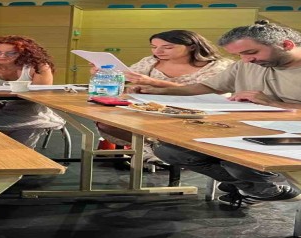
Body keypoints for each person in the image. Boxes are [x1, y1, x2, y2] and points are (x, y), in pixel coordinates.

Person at [136, 21, 301, 208]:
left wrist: (276, 104)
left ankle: (259, 184)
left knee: (237, 162)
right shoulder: (247, 64)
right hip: (248, 130)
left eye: (250, 52)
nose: (246, 60)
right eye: (239, 55)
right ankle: (259, 188)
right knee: (170, 151)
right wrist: (155, 91)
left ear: (287, 45)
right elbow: (206, 87)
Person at [95, 30, 233, 163]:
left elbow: (205, 90)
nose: (158, 51)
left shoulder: (217, 66)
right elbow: (126, 78)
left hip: (199, 114)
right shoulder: (150, 61)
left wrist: (153, 82)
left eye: (168, 47)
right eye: (154, 47)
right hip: (153, 111)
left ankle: (169, 152)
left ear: (192, 47)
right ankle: (153, 147)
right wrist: (106, 72)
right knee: (107, 123)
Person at [0, 35, 65, 148]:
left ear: (23, 54)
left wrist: (2, 104)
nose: (3, 56)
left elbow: (41, 94)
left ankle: (19, 154)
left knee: (25, 126)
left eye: (12, 53)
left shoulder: (38, 66)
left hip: (25, 106)